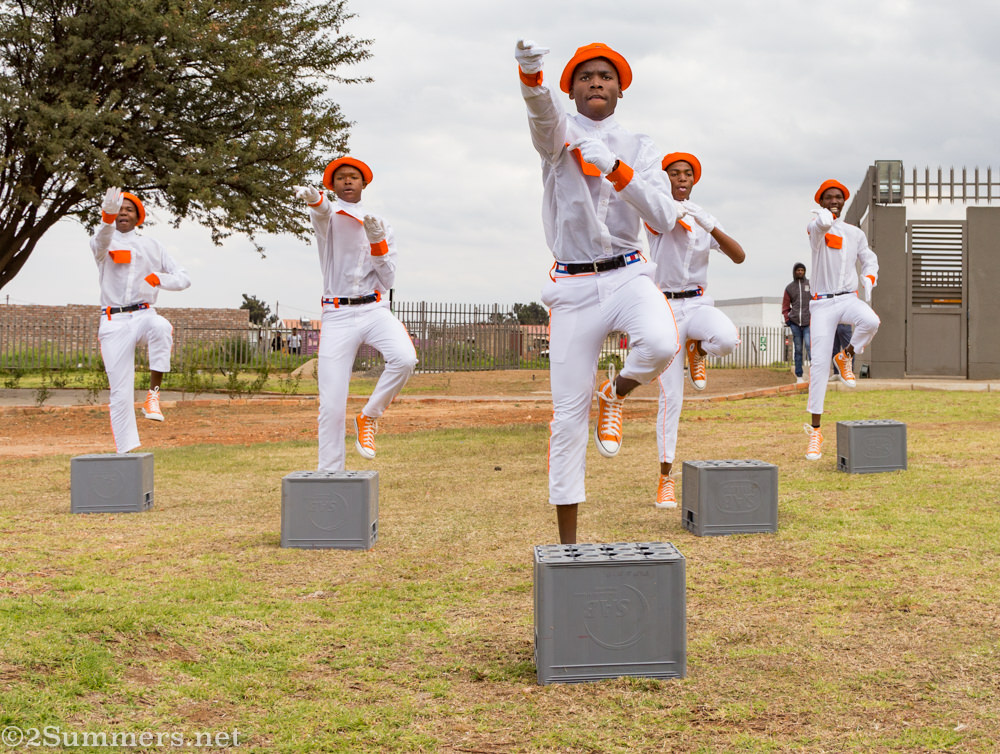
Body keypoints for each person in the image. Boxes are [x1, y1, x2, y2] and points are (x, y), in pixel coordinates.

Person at [515, 39, 681, 543]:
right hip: (573, 284)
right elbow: (543, 114)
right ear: (571, 87)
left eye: (605, 76)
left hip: (629, 272)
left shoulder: (640, 145)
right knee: (566, 418)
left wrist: (615, 167)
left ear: (619, 89)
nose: (595, 82)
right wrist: (531, 74)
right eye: (585, 76)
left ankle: (616, 393)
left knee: (661, 344)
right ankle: (568, 546)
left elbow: (665, 216)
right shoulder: (558, 134)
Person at [294, 157, 417, 472]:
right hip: (337, 315)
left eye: (354, 177)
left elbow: (388, 279)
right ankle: (329, 473)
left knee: (405, 359)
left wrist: (377, 242)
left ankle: (369, 416)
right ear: (332, 186)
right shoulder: (330, 217)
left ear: (364, 184)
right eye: (341, 178)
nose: (347, 181)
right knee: (331, 406)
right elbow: (322, 211)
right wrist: (314, 200)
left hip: (375, 309)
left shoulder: (381, 223)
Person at [646, 153, 745, 509]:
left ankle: (698, 351)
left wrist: (709, 223)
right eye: (675, 173)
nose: (682, 178)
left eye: (687, 174)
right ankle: (665, 479)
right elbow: (660, 220)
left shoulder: (703, 217)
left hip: (699, 304)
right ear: (666, 179)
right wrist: (674, 207)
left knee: (729, 339)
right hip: (667, 308)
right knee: (671, 399)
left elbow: (739, 256)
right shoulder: (657, 212)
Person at [91, 188, 190, 454]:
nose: (123, 213)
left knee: (161, 326)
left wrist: (160, 279)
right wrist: (106, 217)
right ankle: (126, 451)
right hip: (113, 321)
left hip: (144, 314)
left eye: (128, 209)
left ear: (138, 217)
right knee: (120, 394)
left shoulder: (153, 246)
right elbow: (101, 240)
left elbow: (183, 277)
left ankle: (153, 396)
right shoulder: (103, 243)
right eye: (119, 209)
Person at [803, 179, 880, 461]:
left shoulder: (854, 233)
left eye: (838, 198)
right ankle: (815, 432)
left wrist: (870, 275)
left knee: (871, 321)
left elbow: (868, 257)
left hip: (847, 297)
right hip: (822, 303)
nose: (834, 201)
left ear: (843, 201)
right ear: (821, 201)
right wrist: (822, 223)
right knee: (820, 366)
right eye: (829, 198)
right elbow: (816, 233)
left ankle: (846, 355)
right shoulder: (816, 227)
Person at [782, 262, 811, 383]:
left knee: (810, 346)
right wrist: (787, 319)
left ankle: (814, 374)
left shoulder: (810, 284)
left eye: (802, 270)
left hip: (808, 322)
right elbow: (785, 305)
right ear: (794, 272)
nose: (800, 272)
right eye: (798, 270)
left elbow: (816, 300)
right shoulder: (789, 288)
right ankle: (799, 376)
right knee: (798, 349)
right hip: (795, 323)